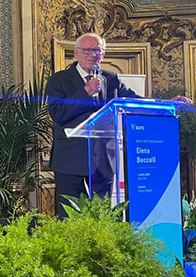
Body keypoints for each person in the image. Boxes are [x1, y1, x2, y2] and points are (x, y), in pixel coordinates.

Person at [47, 33, 141, 218]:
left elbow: (135, 101)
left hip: (102, 160)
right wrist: (86, 91)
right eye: (87, 50)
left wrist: (166, 103)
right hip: (70, 160)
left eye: (97, 50)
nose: (93, 55)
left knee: (102, 216)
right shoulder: (59, 80)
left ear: (103, 54)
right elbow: (57, 113)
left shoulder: (111, 78)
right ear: (76, 53)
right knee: (71, 218)